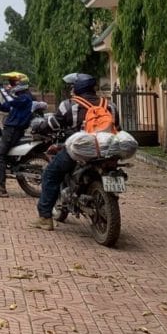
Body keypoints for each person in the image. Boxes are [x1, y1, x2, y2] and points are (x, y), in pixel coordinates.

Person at [31, 72, 116, 230]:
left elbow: (53, 124)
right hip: (106, 151)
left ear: (78, 87)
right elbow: (118, 127)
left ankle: (44, 217)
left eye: (72, 87)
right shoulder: (109, 105)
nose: (71, 90)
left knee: (50, 174)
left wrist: (39, 127)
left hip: (78, 151)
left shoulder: (69, 105)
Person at [0, 74, 34, 197]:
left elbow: (11, 101)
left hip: (14, 130)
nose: (9, 85)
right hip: (9, 130)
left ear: (20, 84)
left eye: (12, 83)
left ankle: (1, 188)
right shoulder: (18, 99)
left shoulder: (25, 98)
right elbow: (1, 107)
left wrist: (1, 89)